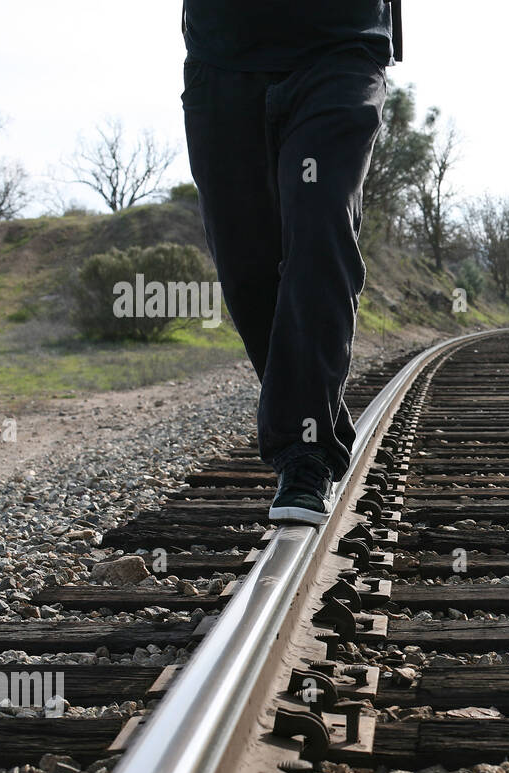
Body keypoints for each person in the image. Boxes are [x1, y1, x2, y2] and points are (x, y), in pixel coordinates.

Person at [180, 1, 403, 525]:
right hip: (223, 55)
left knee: (320, 220)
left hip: (342, 45)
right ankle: (313, 413)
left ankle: (305, 453)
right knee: (245, 264)